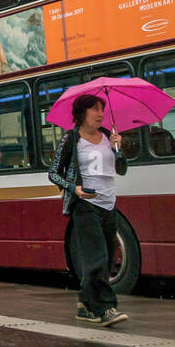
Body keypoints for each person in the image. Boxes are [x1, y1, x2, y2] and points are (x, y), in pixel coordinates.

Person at [48, 93, 130, 327]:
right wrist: (74, 188)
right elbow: (53, 173)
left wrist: (118, 149)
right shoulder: (71, 139)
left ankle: (85, 304)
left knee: (105, 258)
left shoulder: (107, 136)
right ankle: (105, 308)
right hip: (85, 205)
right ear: (81, 113)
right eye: (94, 109)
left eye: (102, 109)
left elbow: (122, 170)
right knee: (96, 258)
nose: (100, 114)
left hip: (108, 203)